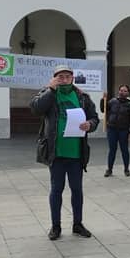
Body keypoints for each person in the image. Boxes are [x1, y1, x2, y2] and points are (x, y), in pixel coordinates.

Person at [30, 65, 100, 241]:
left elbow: (94, 118)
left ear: (72, 78)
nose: (64, 79)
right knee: (56, 190)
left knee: (77, 190)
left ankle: (78, 224)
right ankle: (56, 226)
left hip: (76, 153)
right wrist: (51, 90)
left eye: (67, 76)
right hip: (56, 153)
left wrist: (90, 125)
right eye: (60, 76)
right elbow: (36, 108)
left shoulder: (82, 97)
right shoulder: (48, 94)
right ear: (54, 78)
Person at [101, 84, 130, 177]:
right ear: (119, 91)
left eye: (125, 91)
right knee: (112, 150)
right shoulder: (113, 101)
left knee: (124, 150)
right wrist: (103, 99)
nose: (122, 92)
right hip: (112, 129)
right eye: (121, 90)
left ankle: (126, 169)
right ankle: (109, 169)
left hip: (123, 130)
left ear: (128, 93)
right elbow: (103, 109)